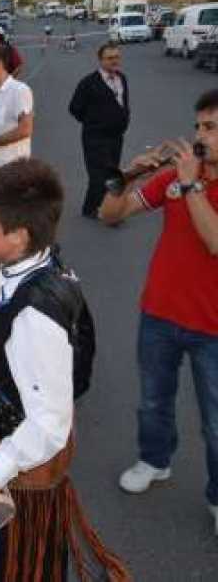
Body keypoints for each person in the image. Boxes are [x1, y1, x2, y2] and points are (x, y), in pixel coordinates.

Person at [0, 159, 129, 582]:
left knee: (20, 568)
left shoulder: (35, 313)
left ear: (17, 236)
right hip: (17, 440)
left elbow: (49, 420)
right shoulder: (37, 267)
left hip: (27, 467)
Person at [99, 90, 218, 529]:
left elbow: (214, 241)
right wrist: (127, 176)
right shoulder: (174, 179)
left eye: (211, 128)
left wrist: (190, 185)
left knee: (216, 422)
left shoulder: (187, 181)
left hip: (213, 327)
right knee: (152, 402)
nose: (199, 137)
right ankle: (154, 460)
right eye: (198, 126)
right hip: (160, 313)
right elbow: (111, 215)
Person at [69, 43, 130, 218]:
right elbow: (75, 108)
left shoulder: (122, 78)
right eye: (110, 58)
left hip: (116, 136)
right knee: (98, 175)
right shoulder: (88, 83)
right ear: (100, 60)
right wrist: (93, 122)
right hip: (95, 137)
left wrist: (124, 118)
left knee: (112, 172)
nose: (114, 61)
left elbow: (124, 103)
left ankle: (106, 207)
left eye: (117, 57)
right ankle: (91, 209)